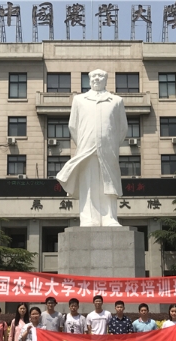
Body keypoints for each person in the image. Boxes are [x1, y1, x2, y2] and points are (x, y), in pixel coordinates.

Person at [56, 69, 128, 227]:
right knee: (88, 183)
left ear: (106, 79)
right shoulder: (79, 100)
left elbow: (122, 128)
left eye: (100, 76)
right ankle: (89, 218)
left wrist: (109, 141)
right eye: (93, 76)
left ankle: (110, 217)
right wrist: (86, 141)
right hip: (86, 147)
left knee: (109, 183)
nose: (96, 78)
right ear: (89, 80)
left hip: (109, 149)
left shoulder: (116, 101)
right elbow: (73, 126)